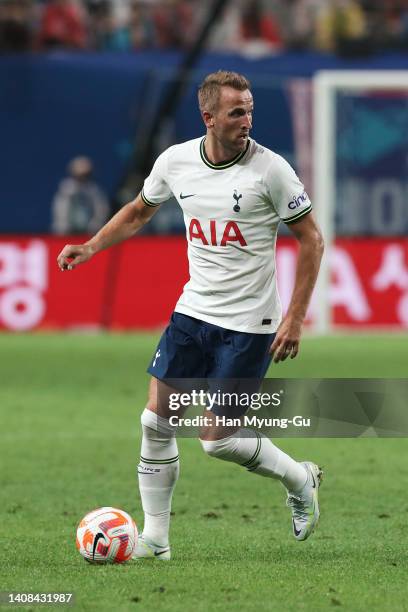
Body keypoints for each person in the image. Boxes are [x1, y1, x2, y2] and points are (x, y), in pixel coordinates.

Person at [57, 70, 324, 560]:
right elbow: (139, 211)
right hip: (193, 312)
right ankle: (155, 540)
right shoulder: (176, 162)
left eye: (249, 110)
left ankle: (300, 478)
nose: (247, 120)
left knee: (217, 441)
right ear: (209, 118)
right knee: (155, 422)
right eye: (236, 112)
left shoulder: (271, 171)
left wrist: (295, 317)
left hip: (248, 325)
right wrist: (92, 245)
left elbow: (312, 238)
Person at [51, 156, 110, 235]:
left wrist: (95, 224)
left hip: (89, 233)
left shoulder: (95, 190)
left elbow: (101, 210)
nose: (82, 178)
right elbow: (60, 211)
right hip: (67, 233)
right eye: (79, 175)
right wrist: (63, 226)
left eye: (85, 175)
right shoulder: (65, 189)